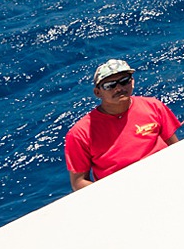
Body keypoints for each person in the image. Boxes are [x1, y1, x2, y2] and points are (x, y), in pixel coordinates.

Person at [66, 59, 178, 189]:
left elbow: (176, 147)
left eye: (124, 81)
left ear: (132, 82)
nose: (119, 88)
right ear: (97, 92)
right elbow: (79, 182)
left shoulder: (154, 106)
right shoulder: (80, 133)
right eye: (110, 85)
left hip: (167, 178)